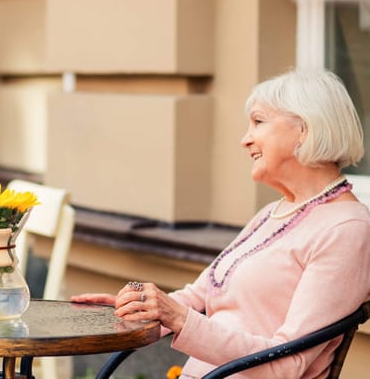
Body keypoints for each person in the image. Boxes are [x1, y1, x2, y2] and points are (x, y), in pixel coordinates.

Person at [73, 69, 370, 378]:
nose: (245, 140)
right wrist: (138, 308)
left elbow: (286, 363)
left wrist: (178, 318)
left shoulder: (347, 228)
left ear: (304, 130)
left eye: (258, 122)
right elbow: (197, 296)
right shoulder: (275, 211)